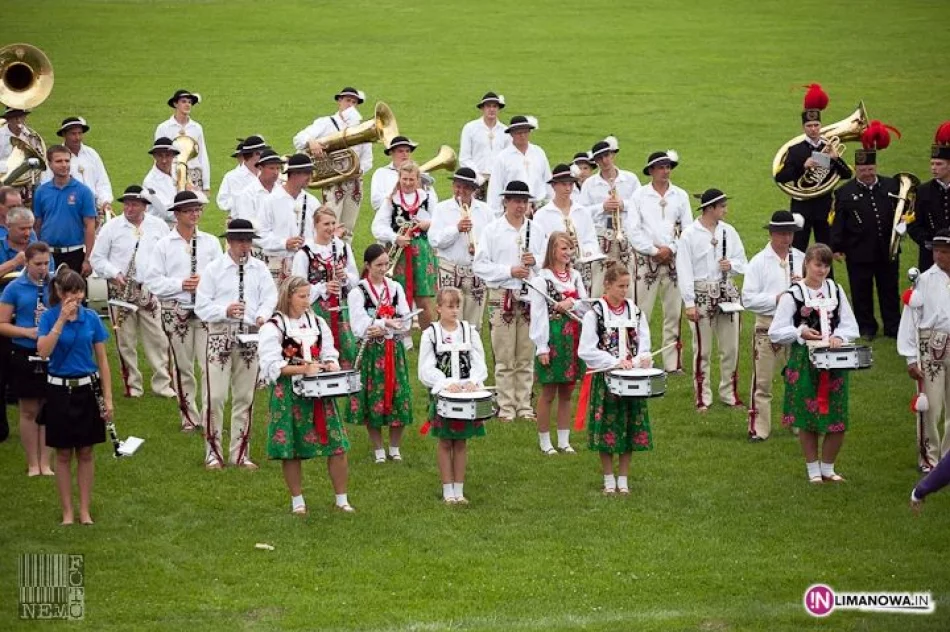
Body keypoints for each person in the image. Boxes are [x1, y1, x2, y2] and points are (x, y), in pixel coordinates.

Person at [259, 276, 353, 513]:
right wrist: (302, 369)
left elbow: (329, 350)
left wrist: (330, 364)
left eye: (307, 295)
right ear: (288, 296)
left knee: (338, 446)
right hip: (289, 394)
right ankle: (297, 501)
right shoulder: (274, 327)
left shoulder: (318, 322)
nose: (306, 301)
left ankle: (342, 499)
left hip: (320, 392)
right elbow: (271, 366)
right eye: (301, 296)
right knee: (292, 450)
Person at [768, 243, 859, 483]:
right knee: (808, 416)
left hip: (834, 361)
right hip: (805, 361)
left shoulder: (836, 290)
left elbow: (850, 324)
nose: (822, 271)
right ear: (807, 263)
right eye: (818, 265)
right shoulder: (794, 295)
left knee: (837, 415)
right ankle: (813, 470)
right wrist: (801, 331)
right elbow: (776, 332)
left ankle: (828, 467)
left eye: (826, 266)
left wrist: (840, 336)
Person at [196, 219, 277, 470]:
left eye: (248, 241)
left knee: (245, 395)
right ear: (229, 242)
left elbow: (270, 297)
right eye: (240, 241)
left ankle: (240, 452)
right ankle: (213, 452)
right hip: (220, 333)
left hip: (250, 336)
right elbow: (201, 306)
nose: (245, 246)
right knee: (216, 396)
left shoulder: (260, 268)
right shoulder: (214, 269)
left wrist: (262, 316)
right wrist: (225, 310)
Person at [36, 267, 113, 525]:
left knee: (86, 452)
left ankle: (84, 510)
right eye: (70, 292)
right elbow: (44, 352)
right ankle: (67, 511)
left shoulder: (91, 318)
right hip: (59, 389)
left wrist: (109, 399)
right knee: (63, 454)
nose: (76, 297)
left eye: (79, 291)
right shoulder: (48, 317)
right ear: (59, 292)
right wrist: (60, 322)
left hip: (87, 388)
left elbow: (102, 361)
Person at [144, 190, 222, 431]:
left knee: (209, 365)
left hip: (204, 311)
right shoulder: (163, 245)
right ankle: (189, 417)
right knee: (183, 366)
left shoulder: (210, 242)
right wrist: (181, 284)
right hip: (175, 309)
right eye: (189, 210)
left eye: (197, 209)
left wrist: (206, 285)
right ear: (176, 214)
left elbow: (221, 276)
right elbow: (153, 281)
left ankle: (211, 418)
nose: (195, 214)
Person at [577, 263, 654, 495]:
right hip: (607, 379)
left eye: (627, 286)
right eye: (620, 286)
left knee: (629, 427)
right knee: (608, 427)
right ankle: (609, 478)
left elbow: (644, 342)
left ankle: (624, 478)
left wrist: (641, 358)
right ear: (607, 285)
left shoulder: (635, 311)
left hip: (632, 378)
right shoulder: (595, 314)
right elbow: (586, 350)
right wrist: (613, 361)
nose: (624, 291)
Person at [90, 185, 173, 398]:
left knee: (159, 338)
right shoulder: (111, 227)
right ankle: (133, 386)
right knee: (125, 340)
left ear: (145, 206)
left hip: (149, 290)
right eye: (126, 204)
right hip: (120, 290)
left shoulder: (159, 226)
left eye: (134, 204)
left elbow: (168, 256)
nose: (129, 208)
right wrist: (115, 273)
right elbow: (96, 258)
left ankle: (162, 384)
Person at [473, 180, 546, 421]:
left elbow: (545, 265)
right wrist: (509, 271)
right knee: (504, 355)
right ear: (506, 202)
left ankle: (524, 404)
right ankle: (506, 406)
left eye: (524, 201)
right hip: (501, 295)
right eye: (516, 201)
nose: (520, 206)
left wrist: (533, 262)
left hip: (528, 296)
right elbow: (480, 266)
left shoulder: (535, 230)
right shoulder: (492, 230)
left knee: (526, 353)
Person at [677, 188, 747, 411]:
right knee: (703, 350)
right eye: (722, 206)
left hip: (726, 293)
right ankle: (702, 397)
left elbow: (743, 262)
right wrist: (689, 303)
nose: (726, 210)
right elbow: (684, 270)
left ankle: (729, 393)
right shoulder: (689, 234)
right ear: (710, 208)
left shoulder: (730, 231)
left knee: (731, 348)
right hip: (701, 294)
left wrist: (732, 266)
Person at [830, 121, 901, 339]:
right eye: (862, 170)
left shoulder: (892, 186)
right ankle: (866, 327)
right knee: (861, 292)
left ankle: (893, 326)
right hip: (858, 251)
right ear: (856, 170)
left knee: (889, 290)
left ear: (876, 167)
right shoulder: (844, 192)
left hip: (886, 250)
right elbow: (838, 221)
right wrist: (836, 247)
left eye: (870, 169)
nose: (867, 173)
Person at [418, 287, 489, 504]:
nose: (455, 311)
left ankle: (459, 490)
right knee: (445, 442)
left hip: (466, 395)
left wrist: (472, 382)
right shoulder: (430, 334)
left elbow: (479, 362)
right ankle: (447, 490)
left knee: (461, 442)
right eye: (450, 306)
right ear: (438, 308)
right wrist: (446, 384)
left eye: (457, 306)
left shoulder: (469, 331)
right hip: (444, 395)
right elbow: (425, 368)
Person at [742, 210, 805, 441]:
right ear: (771, 234)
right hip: (766, 325)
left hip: (795, 325)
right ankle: (759, 429)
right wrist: (776, 299)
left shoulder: (800, 258)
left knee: (797, 378)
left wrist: (801, 290)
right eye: (781, 233)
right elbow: (747, 299)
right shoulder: (759, 262)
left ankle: (799, 424)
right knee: (763, 381)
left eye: (789, 233)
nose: (786, 238)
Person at [627, 150, 692, 373]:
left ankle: (672, 364)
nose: (666, 171)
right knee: (640, 311)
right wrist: (653, 250)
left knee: (673, 313)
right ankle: (639, 358)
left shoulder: (680, 195)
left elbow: (687, 228)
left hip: (674, 261)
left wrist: (671, 248)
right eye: (661, 167)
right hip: (647, 261)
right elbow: (633, 230)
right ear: (651, 170)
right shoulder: (639, 196)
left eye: (668, 166)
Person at [347, 244, 413, 463]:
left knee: (399, 395)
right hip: (371, 353)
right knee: (372, 396)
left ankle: (394, 447)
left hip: (393, 350)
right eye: (378, 265)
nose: (383, 269)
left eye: (386, 264)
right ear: (367, 265)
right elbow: (358, 325)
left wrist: (385, 326)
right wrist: (384, 322)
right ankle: (378, 449)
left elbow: (406, 319)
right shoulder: (358, 292)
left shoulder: (395, 288)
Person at [773, 84, 853, 252]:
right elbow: (780, 177)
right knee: (797, 249)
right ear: (804, 128)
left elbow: (846, 174)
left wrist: (835, 159)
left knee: (825, 249)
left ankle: (826, 279)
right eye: (809, 126)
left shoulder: (829, 147)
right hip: (801, 206)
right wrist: (803, 167)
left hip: (824, 205)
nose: (814, 129)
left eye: (816, 125)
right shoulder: (795, 150)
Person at [529, 231, 587, 454]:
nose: (568, 253)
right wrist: (542, 346)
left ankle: (564, 440)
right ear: (552, 250)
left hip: (572, 336)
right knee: (548, 391)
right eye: (563, 248)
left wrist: (571, 302)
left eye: (570, 248)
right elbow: (538, 314)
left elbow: (586, 304)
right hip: (553, 337)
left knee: (567, 391)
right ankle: (545, 441)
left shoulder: (575, 276)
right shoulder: (542, 279)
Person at [897, 229, 950, 472]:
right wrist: (910, 358)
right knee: (931, 405)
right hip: (931, 346)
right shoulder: (924, 281)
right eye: (937, 251)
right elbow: (910, 320)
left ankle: (948, 459)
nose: (940, 256)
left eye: (945, 252)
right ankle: (929, 458)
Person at [0, 242, 53, 475]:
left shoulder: (56, 285)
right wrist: (26, 332)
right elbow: (2, 324)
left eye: (46, 263)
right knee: (29, 410)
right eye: (37, 264)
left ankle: (46, 462)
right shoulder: (14, 287)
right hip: (24, 352)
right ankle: (33, 462)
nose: (43, 269)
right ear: (27, 263)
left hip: (51, 352)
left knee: (49, 408)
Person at [293, 87, 372, 242]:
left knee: (348, 229)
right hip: (333, 182)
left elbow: (368, 160)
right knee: (329, 225)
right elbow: (299, 138)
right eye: (348, 100)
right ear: (339, 101)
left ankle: (344, 260)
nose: (351, 105)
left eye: (354, 102)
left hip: (354, 183)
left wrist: (356, 170)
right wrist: (312, 142)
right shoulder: (325, 123)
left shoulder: (361, 128)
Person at [291, 207, 359, 377]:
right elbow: (296, 287)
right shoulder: (305, 253)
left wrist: (344, 277)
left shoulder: (342, 247)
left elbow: (355, 280)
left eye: (333, 223)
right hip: (316, 310)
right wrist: (323, 288)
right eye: (326, 224)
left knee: (349, 350)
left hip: (341, 308)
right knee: (319, 350)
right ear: (315, 225)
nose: (330, 228)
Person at [371, 161, 437, 331]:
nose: (407, 183)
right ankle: (401, 335)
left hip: (422, 253)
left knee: (423, 297)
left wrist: (427, 224)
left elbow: (440, 221)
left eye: (411, 180)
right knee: (398, 294)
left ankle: (428, 336)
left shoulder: (427, 198)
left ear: (417, 180)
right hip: (399, 254)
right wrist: (395, 237)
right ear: (399, 178)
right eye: (404, 179)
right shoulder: (391, 200)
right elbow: (377, 227)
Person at [429, 167, 493, 327]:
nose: (461, 191)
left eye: (465, 187)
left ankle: (470, 351)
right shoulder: (441, 209)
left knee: (473, 323)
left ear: (473, 190)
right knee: (449, 321)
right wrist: (456, 229)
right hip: (450, 270)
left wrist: (479, 248)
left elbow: (493, 240)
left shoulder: (485, 211)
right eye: (458, 186)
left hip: (476, 272)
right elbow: (435, 240)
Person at [577, 136, 641, 296]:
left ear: (613, 155)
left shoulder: (630, 179)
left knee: (627, 285)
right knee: (599, 285)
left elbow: (641, 207)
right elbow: (581, 213)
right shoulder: (589, 184)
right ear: (596, 161)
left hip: (625, 236)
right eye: (600, 158)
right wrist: (602, 207)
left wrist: (623, 205)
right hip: (601, 237)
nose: (604, 161)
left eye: (607, 155)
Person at [533, 164, 601, 294]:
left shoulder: (582, 212)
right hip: (554, 272)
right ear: (553, 186)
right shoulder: (541, 215)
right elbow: (538, 248)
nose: (568, 188)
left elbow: (591, 240)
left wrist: (581, 251)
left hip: (580, 268)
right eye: (563, 184)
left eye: (570, 184)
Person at [32, 145, 97, 275]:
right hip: (47, 255)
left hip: (74, 255)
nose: (64, 165)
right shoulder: (41, 192)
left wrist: (88, 259)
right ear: (49, 164)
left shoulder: (84, 192)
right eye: (59, 161)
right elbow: (37, 225)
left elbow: (90, 226)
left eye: (67, 161)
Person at [257, 153, 319, 283]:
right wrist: (284, 243)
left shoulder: (313, 202)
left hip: (307, 263)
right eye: (306, 173)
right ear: (294, 174)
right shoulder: (271, 201)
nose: (310, 177)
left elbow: (318, 234)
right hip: (278, 263)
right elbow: (260, 236)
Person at [39, 117, 113, 223]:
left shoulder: (92, 154)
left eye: (79, 133)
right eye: (73, 134)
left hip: (92, 211)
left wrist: (105, 201)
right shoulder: (55, 157)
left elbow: (102, 181)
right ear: (64, 135)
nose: (77, 137)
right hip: (68, 211)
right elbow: (46, 184)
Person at [907, 121, 950, 272]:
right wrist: (927, 241)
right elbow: (912, 223)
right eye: (932, 164)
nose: (933, 168)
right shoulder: (923, 191)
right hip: (931, 257)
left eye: (939, 164)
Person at [486, 116, 552, 214]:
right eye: (518, 132)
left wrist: (550, 204)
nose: (522, 135)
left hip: (539, 209)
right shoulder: (503, 157)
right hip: (514, 208)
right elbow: (495, 188)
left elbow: (548, 181)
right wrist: (495, 214)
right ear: (512, 134)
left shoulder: (539, 152)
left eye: (525, 132)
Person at [154, 89, 210, 196]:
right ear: (176, 104)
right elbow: (158, 156)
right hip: (173, 177)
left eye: (189, 102)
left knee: (193, 211)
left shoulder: (197, 128)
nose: (187, 105)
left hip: (194, 176)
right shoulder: (164, 128)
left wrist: (206, 185)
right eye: (183, 102)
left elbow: (202, 155)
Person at [459, 92, 511, 200]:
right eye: (488, 106)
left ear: (498, 109)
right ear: (482, 108)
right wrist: (478, 177)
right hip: (475, 181)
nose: (491, 109)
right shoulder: (470, 128)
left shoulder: (505, 131)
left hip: (498, 181)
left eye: (494, 106)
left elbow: (508, 159)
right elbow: (464, 158)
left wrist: (498, 178)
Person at [370, 135, 439, 212]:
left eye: (407, 151)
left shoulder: (420, 175)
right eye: (400, 151)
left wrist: (421, 190)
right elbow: (376, 202)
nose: (405, 154)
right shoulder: (381, 173)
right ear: (391, 153)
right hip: (391, 219)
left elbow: (434, 203)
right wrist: (399, 195)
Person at [0, 106, 45, 202]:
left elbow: (38, 162)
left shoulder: (30, 135)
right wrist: (12, 168)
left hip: (26, 184)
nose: (19, 121)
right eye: (15, 118)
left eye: (21, 117)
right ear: (8, 120)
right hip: (3, 182)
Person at [230, 149, 283, 228]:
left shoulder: (281, 191)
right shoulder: (248, 194)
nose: (275, 172)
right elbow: (247, 222)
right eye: (271, 168)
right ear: (260, 168)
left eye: (278, 168)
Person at [216, 135, 265, 213]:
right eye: (261, 153)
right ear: (252, 155)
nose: (264, 157)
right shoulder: (231, 177)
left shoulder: (267, 174)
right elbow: (222, 202)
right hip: (242, 221)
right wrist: (241, 200)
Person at [142, 137, 180, 227]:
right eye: (160, 156)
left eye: (167, 155)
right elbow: (168, 213)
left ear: (173, 156)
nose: (164, 160)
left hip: (180, 227)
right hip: (158, 230)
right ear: (154, 156)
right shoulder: (150, 182)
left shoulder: (178, 171)